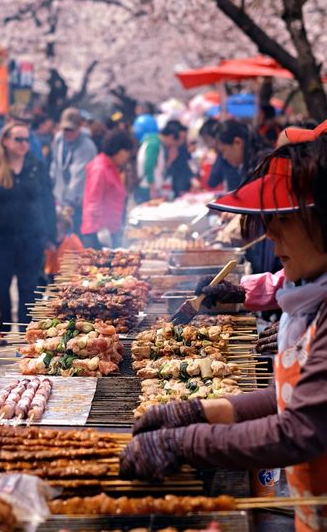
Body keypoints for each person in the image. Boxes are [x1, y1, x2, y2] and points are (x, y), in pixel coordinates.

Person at [120, 135, 327, 532]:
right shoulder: (312, 296)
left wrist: (185, 443)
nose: (270, 235)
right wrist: (201, 410)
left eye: (285, 219)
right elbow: (294, 396)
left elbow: (300, 429)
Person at [0, 120, 57, 343]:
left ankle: (25, 331)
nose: (23, 144)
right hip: (1, 240)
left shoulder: (36, 167)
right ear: (6, 141)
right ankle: (0, 328)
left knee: (29, 285)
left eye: (26, 140)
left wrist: (50, 235)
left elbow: (48, 201)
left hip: (31, 237)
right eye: (18, 139)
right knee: (1, 285)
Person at [81, 129, 133, 248]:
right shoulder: (100, 168)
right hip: (97, 234)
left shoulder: (112, 167)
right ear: (118, 150)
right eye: (126, 152)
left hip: (111, 229)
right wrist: (101, 230)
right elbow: (93, 201)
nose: (127, 156)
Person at [50, 107, 97, 235]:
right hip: (60, 197)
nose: (68, 133)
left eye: (72, 130)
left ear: (80, 127)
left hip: (78, 200)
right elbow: (55, 165)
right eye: (65, 129)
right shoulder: (58, 140)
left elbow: (79, 177)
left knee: (76, 238)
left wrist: (69, 202)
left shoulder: (86, 146)